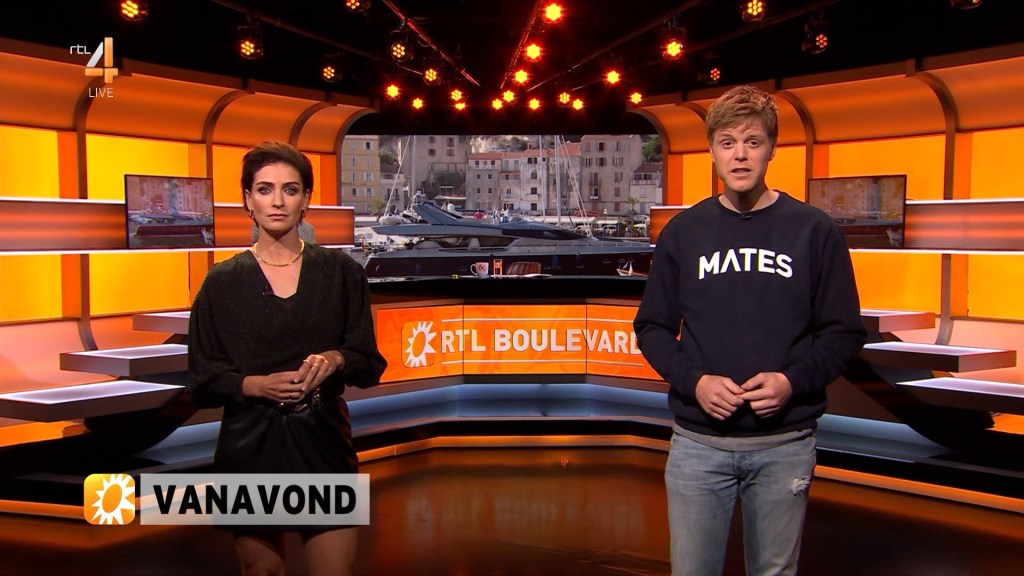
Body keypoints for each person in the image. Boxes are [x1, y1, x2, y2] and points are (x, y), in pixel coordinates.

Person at [633, 86, 865, 576]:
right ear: (712, 151)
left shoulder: (814, 231)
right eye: (728, 142)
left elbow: (843, 333)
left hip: (784, 445)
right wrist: (695, 381)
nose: (740, 154)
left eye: (753, 141)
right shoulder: (684, 232)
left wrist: (791, 382)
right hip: (698, 444)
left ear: (772, 148)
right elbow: (652, 327)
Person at [188, 141, 387, 576]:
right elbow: (202, 378)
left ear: (306, 199)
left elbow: (368, 362)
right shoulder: (221, 282)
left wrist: (337, 358)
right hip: (250, 443)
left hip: (323, 440)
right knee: (260, 570)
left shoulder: (342, 273)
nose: (277, 201)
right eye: (265, 189)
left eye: (290, 189)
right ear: (248, 200)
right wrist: (253, 385)